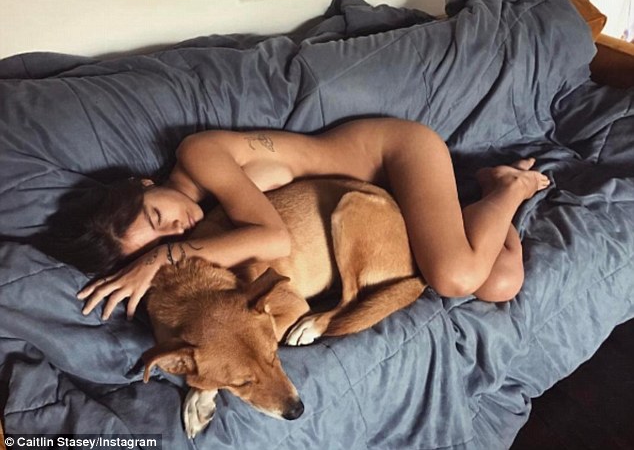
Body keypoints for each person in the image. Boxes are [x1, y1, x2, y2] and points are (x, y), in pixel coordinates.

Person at [72, 118, 550, 320]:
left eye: (158, 215)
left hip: (393, 158)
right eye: (160, 239)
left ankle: (513, 187)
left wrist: (160, 255)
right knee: (500, 281)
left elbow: (274, 239)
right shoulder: (209, 229)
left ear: (143, 183)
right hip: (383, 209)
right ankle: (485, 196)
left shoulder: (197, 155)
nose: (177, 230)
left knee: (455, 277)